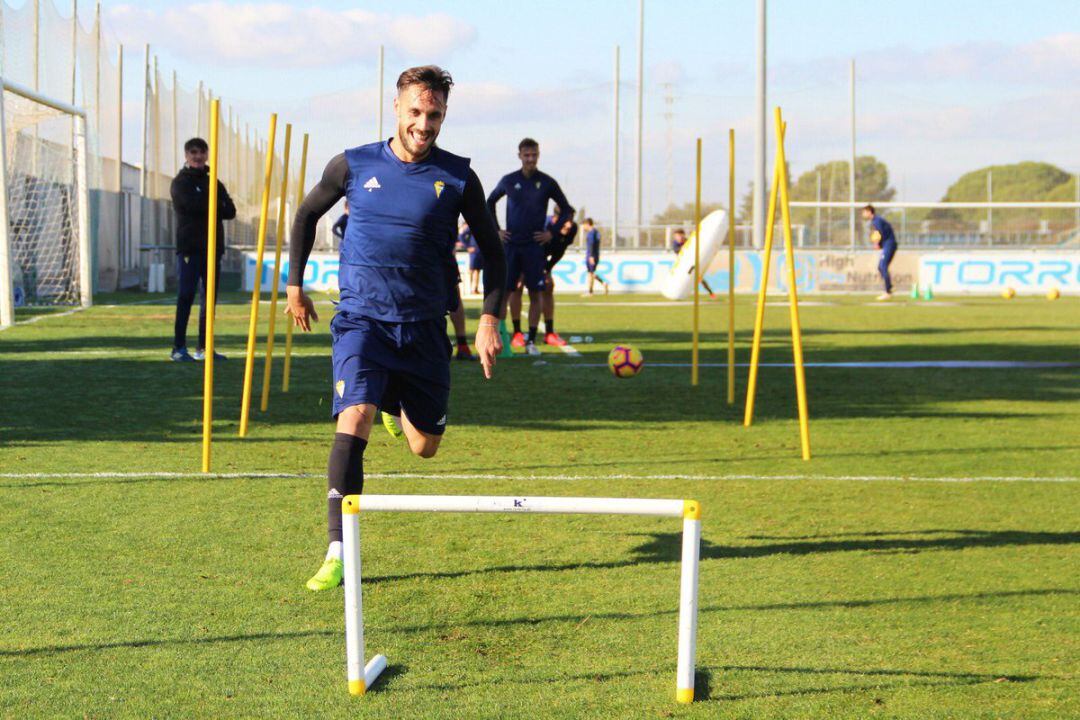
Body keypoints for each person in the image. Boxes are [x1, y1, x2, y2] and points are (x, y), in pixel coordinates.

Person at [285, 65, 506, 591]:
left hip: (424, 328)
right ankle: (339, 547)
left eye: (433, 115)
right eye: (415, 112)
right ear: (396, 108)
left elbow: (493, 253)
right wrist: (294, 284)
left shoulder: (458, 177)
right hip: (362, 320)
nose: (423, 124)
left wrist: (489, 319)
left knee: (424, 447)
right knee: (352, 416)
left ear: (444, 114)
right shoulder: (354, 164)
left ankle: (395, 403)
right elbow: (305, 215)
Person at [487, 138, 574, 356]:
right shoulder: (509, 180)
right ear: (520, 156)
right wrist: (497, 229)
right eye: (526, 155)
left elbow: (567, 210)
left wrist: (551, 233)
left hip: (535, 248)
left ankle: (531, 341)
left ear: (538, 155)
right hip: (512, 245)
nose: (530, 159)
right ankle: (504, 338)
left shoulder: (547, 182)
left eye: (534, 155)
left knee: (536, 293)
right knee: (506, 292)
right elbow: (489, 203)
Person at [170, 137, 236, 362]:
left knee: (209, 300)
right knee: (186, 296)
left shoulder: (214, 181)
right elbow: (192, 207)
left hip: (213, 249)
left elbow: (230, 210)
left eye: (201, 153)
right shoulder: (180, 182)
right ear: (187, 156)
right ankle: (178, 348)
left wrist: (211, 203)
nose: (198, 157)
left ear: (207, 154)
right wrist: (213, 203)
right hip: (190, 248)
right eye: (193, 153)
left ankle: (204, 347)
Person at [508, 205, 576, 345]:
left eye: (571, 220)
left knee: (548, 286)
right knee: (517, 287)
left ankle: (549, 333)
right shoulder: (541, 225)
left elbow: (560, 251)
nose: (569, 225)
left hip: (541, 257)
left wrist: (547, 269)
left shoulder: (572, 229)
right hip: (522, 253)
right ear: (556, 219)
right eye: (566, 221)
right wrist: (522, 271)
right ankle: (517, 333)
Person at [863, 204, 898, 300]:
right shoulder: (877, 220)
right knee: (880, 267)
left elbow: (880, 232)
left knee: (882, 266)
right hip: (888, 244)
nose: (863, 214)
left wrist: (877, 243)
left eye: (864, 212)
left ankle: (888, 291)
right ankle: (889, 287)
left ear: (870, 212)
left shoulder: (876, 220)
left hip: (889, 244)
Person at [671, 227, 716, 300]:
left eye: (679, 235)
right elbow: (677, 251)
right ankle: (676, 292)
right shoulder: (675, 243)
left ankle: (711, 293)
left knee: (699, 278)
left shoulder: (688, 241)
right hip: (682, 264)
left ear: (683, 235)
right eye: (676, 236)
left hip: (691, 263)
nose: (678, 237)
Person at [581, 218, 609, 297]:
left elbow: (591, 244)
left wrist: (591, 256)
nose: (583, 227)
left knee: (591, 273)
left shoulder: (591, 233)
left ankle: (591, 291)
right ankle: (602, 284)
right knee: (591, 273)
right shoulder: (596, 232)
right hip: (595, 254)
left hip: (591, 255)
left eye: (584, 225)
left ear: (587, 224)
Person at [462, 221, 483, 295]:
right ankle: (471, 288)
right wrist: (467, 247)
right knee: (473, 270)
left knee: (477, 270)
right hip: (474, 252)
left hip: (480, 251)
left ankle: (475, 288)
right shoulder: (473, 224)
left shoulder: (483, 223)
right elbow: (462, 236)